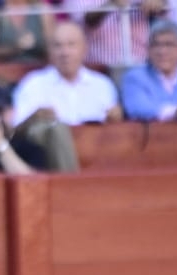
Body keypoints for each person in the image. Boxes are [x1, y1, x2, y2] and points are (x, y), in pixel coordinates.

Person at [10, 21, 121, 171]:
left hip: (96, 158)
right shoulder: (33, 83)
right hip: (48, 164)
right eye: (58, 46)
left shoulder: (102, 85)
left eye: (71, 45)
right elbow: (15, 130)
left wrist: (115, 118)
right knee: (54, 129)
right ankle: (70, 184)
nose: (65, 52)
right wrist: (34, 117)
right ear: (49, 51)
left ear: (84, 49)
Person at [75, 0, 166, 67]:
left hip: (142, 65)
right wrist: (111, 4)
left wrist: (158, 3)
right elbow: (86, 20)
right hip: (99, 67)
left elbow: (167, 14)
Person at [0, 0, 54, 64]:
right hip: (1, 72)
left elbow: (51, 46)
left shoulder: (41, 9)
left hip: (36, 70)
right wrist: (15, 49)